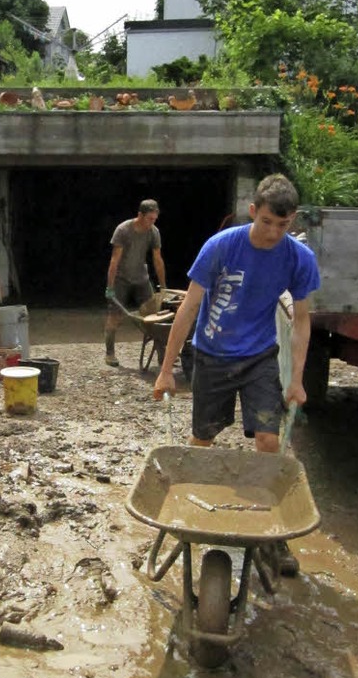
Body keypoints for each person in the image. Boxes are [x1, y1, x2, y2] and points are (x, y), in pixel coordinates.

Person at [153, 173, 320, 576]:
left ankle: (274, 538)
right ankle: (189, 519)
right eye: (266, 222)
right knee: (201, 441)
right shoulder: (221, 247)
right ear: (252, 212)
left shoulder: (298, 258)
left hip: (259, 356)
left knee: (268, 438)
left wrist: (296, 379)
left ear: (292, 220)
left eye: (282, 225)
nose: (273, 232)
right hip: (212, 356)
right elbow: (189, 308)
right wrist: (165, 370)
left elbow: (300, 320)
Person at [104, 199, 167, 366]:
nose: (152, 222)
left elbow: (157, 259)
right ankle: (110, 353)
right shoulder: (123, 230)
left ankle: (163, 356)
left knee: (155, 316)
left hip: (141, 278)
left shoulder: (153, 232)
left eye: (155, 219)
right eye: (149, 219)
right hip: (121, 278)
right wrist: (110, 287)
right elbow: (114, 260)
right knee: (115, 316)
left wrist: (163, 286)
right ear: (140, 215)